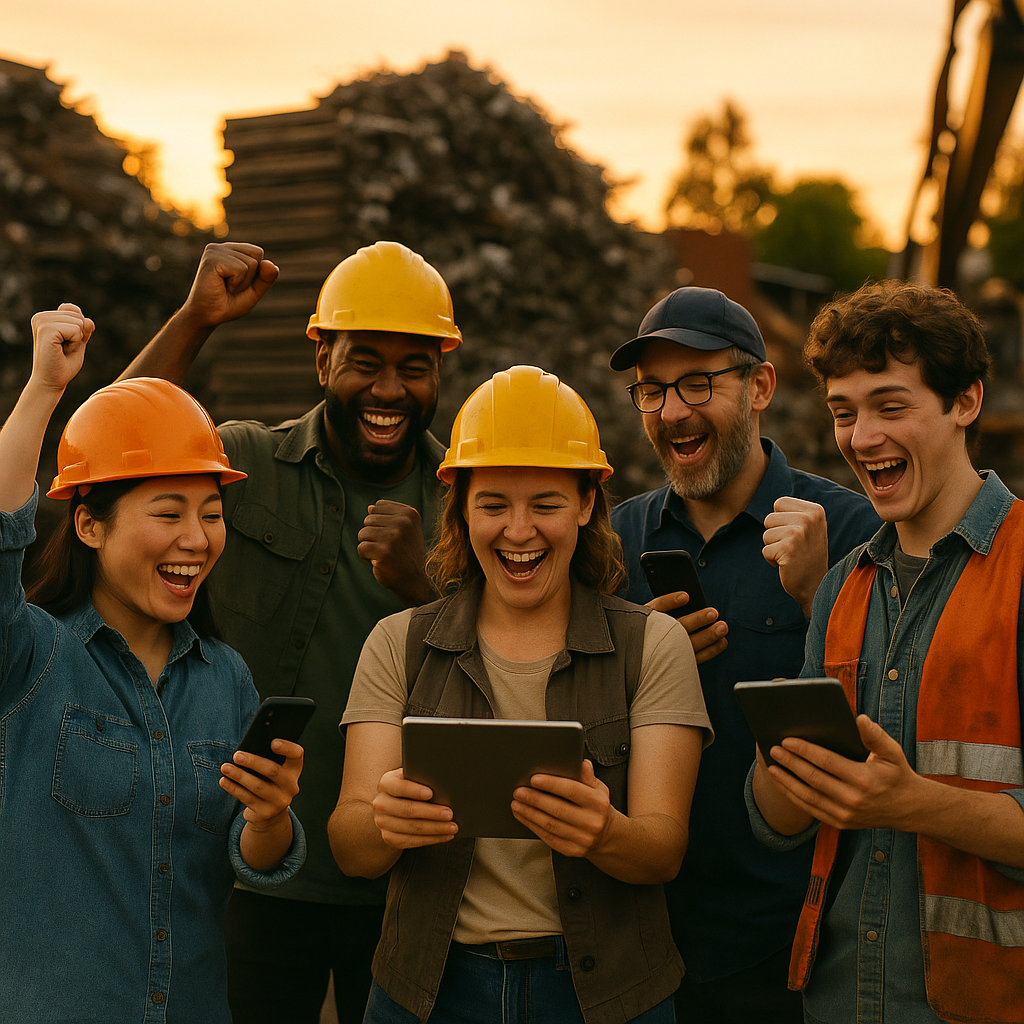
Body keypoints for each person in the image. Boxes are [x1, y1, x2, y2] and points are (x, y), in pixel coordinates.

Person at [121, 239, 462, 1022]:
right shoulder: (245, 463)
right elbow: (119, 442)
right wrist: (196, 317)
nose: (389, 389)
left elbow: (511, 657)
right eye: (364, 362)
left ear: (440, 371)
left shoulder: (464, 507)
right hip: (245, 866)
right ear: (321, 359)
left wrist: (423, 584)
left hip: (407, 870)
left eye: (415, 367)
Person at [329, 364, 712, 1024]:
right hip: (428, 989)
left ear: (587, 503)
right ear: (462, 508)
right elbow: (351, 846)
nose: (518, 531)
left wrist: (604, 832)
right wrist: (384, 824)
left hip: (607, 994)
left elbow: (661, 851)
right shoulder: (397, 644)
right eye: (494, 504)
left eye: (546, 504)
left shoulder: (654, 646)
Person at [0, 304, 305, 1023]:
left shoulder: (226, 677)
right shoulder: (30, 657)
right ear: (88, 523)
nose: (196, 540)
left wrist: (271, 813)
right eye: (168, 514)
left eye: (211, 512)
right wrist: (44, 388)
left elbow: (252, 857)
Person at [749, 281, 1024, 1024]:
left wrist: (913, 805)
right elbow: (773, 823)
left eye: (890, 406)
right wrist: (782, 768)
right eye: (845, 412)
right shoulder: (842, 588)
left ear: (965, 402)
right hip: (840, 1000)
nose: (861, 437)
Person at [608, 286, 880, 1023]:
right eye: (653, 391)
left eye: (698, 383)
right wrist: (631, 667)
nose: (672, 412)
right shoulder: (617, 541)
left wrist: (817, 600)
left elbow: (895, 712)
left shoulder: (853, 528)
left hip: (792, 947)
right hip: (639, 935)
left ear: (760, 386)